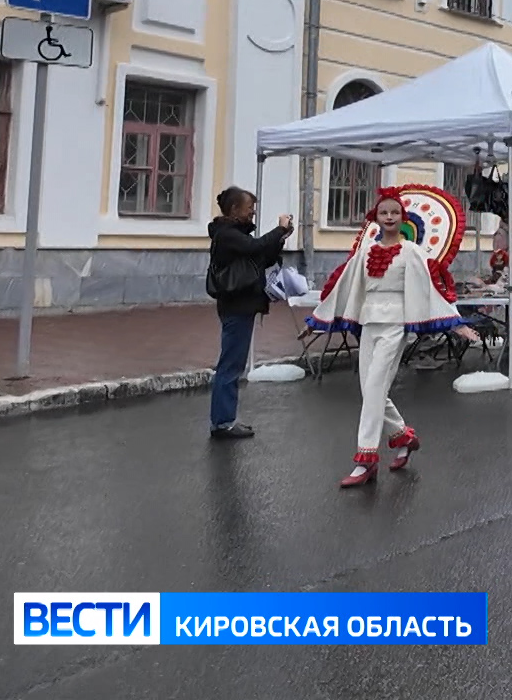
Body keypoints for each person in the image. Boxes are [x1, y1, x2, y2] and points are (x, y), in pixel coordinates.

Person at [308, 188, 479, 487]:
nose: (389, 217)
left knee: (374, 387)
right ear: (376, 217)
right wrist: (319, 320)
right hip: (370, 323)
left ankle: (365, 460)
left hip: (394, 326)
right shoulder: (365, 252)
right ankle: (403, 438)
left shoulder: (411, 252)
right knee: (370, 391)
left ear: (403, 218)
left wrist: (456, 323)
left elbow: (430, 290)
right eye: (384, 212)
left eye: (394, 213)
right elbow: (345, 287)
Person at [205, 188, 292, 440]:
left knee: (233, 363)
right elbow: (255, 246)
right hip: (236, 306)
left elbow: (259, 258)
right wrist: (279, 230)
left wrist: (280, 239)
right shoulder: (226, 234)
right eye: (249, 208)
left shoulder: (235, 235)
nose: (253, 211)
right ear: (234, 210)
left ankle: (224, 420)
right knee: (230, 365)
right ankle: (222, 423)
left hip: (242, 305)